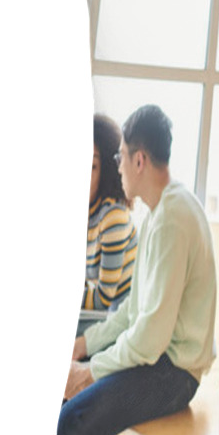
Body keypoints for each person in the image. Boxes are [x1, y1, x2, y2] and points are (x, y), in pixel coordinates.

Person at [50, 104, 217, 435]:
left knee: (71, 422)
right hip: (160, 362)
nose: (118, 165)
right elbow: (132, 310)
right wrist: (83, 346)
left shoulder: (171, 219)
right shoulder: (161, 210)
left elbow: (149, 338)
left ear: (139, 160)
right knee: (61, 406)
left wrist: (90, 370)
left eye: (120, 156)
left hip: (173, 375)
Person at [80, 114, 138, 333]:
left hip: (121, 328)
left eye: (92, 167)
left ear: (107, 171)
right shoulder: (90, 214)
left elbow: (104, 298)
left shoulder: (113, 217)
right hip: (105, 322)